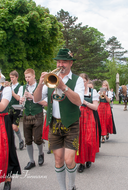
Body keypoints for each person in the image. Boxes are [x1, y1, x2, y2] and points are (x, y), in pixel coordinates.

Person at [34, 48, 84, 190]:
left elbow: (79, 101)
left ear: (70, 63)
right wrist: (40, 83)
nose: (60, 65)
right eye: (58, 62)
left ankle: (72, 185)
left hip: (71, 123)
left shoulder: (77, 80)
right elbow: (37, 99)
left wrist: (63, 87)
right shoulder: (50, 78)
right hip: (54, 123)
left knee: (69, 160)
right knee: (58, 160)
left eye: (64, 62)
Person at [18, 68, 47, 170]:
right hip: (27, 114)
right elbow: (21, 100)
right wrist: (21, 100)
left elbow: (45, 103)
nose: (27, 79)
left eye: (29, 77)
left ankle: (41, 153)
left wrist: (32, 96)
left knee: (38, 138)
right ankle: (31, 160)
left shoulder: (41, 87)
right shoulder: (23, 88)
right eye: (26, 77)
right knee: (28, 139)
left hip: (37, 114)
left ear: (34, 76)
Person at [75, 73, 99, 173]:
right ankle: (81, 163)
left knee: (89, 140)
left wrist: (85, 102)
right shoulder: (76, 92)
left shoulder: (93, 92)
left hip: (89, 117)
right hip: (79, 117)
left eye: (84, 81)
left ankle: (89, 158)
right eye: (80, 81)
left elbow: (95, 107)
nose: (82, 83)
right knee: (80, 140)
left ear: (87, 81)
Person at [8, 70, 24, 150]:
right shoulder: (9, 87)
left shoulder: (20, 87)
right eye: (10, 77)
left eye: (13, 77)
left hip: (17, 109)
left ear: (16, 77)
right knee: (10, 128)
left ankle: (21, 140)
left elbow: (18, 98)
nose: (11, 79)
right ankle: (12, 144)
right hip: (9, 109)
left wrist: (11, 92)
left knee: (14, 127)